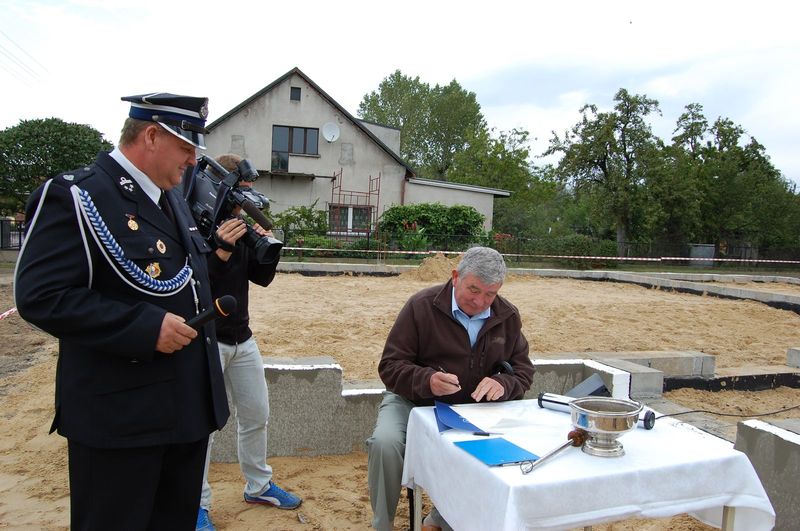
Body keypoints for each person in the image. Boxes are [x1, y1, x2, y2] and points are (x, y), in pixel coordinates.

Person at [14, 93, 230, 530]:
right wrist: (144, 327)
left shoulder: (171, 198)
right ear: (151, 136)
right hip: (121, 419)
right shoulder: (78, 195)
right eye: (186, 148)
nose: (192, 161)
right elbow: (40, 295)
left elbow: (185, 281)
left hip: (185, 411)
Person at [367, 246, 534, 531]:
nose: (481, 302)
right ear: (455, 277)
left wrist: (503, 383)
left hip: (472, 411)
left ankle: (440, 518)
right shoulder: (421, 306)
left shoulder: (507, 316)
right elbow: (390, 366)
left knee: (499, 453)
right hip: (413, 401)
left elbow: (524, 371)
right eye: (474, 290)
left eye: (490, 294)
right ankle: (382, 524)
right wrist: (426, 380)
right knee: (385, 443)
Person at [194, 154, 301, 531]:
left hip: (243, 338)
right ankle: (197, 504)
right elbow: (199, 282)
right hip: (208, 341)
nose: (248, 200)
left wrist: (270, 248)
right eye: (242, 192)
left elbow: (261, 279)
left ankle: (258, 485)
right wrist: (220, 249)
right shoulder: (200, 223)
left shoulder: (241, 226)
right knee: (203, 426)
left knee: (256, 414)